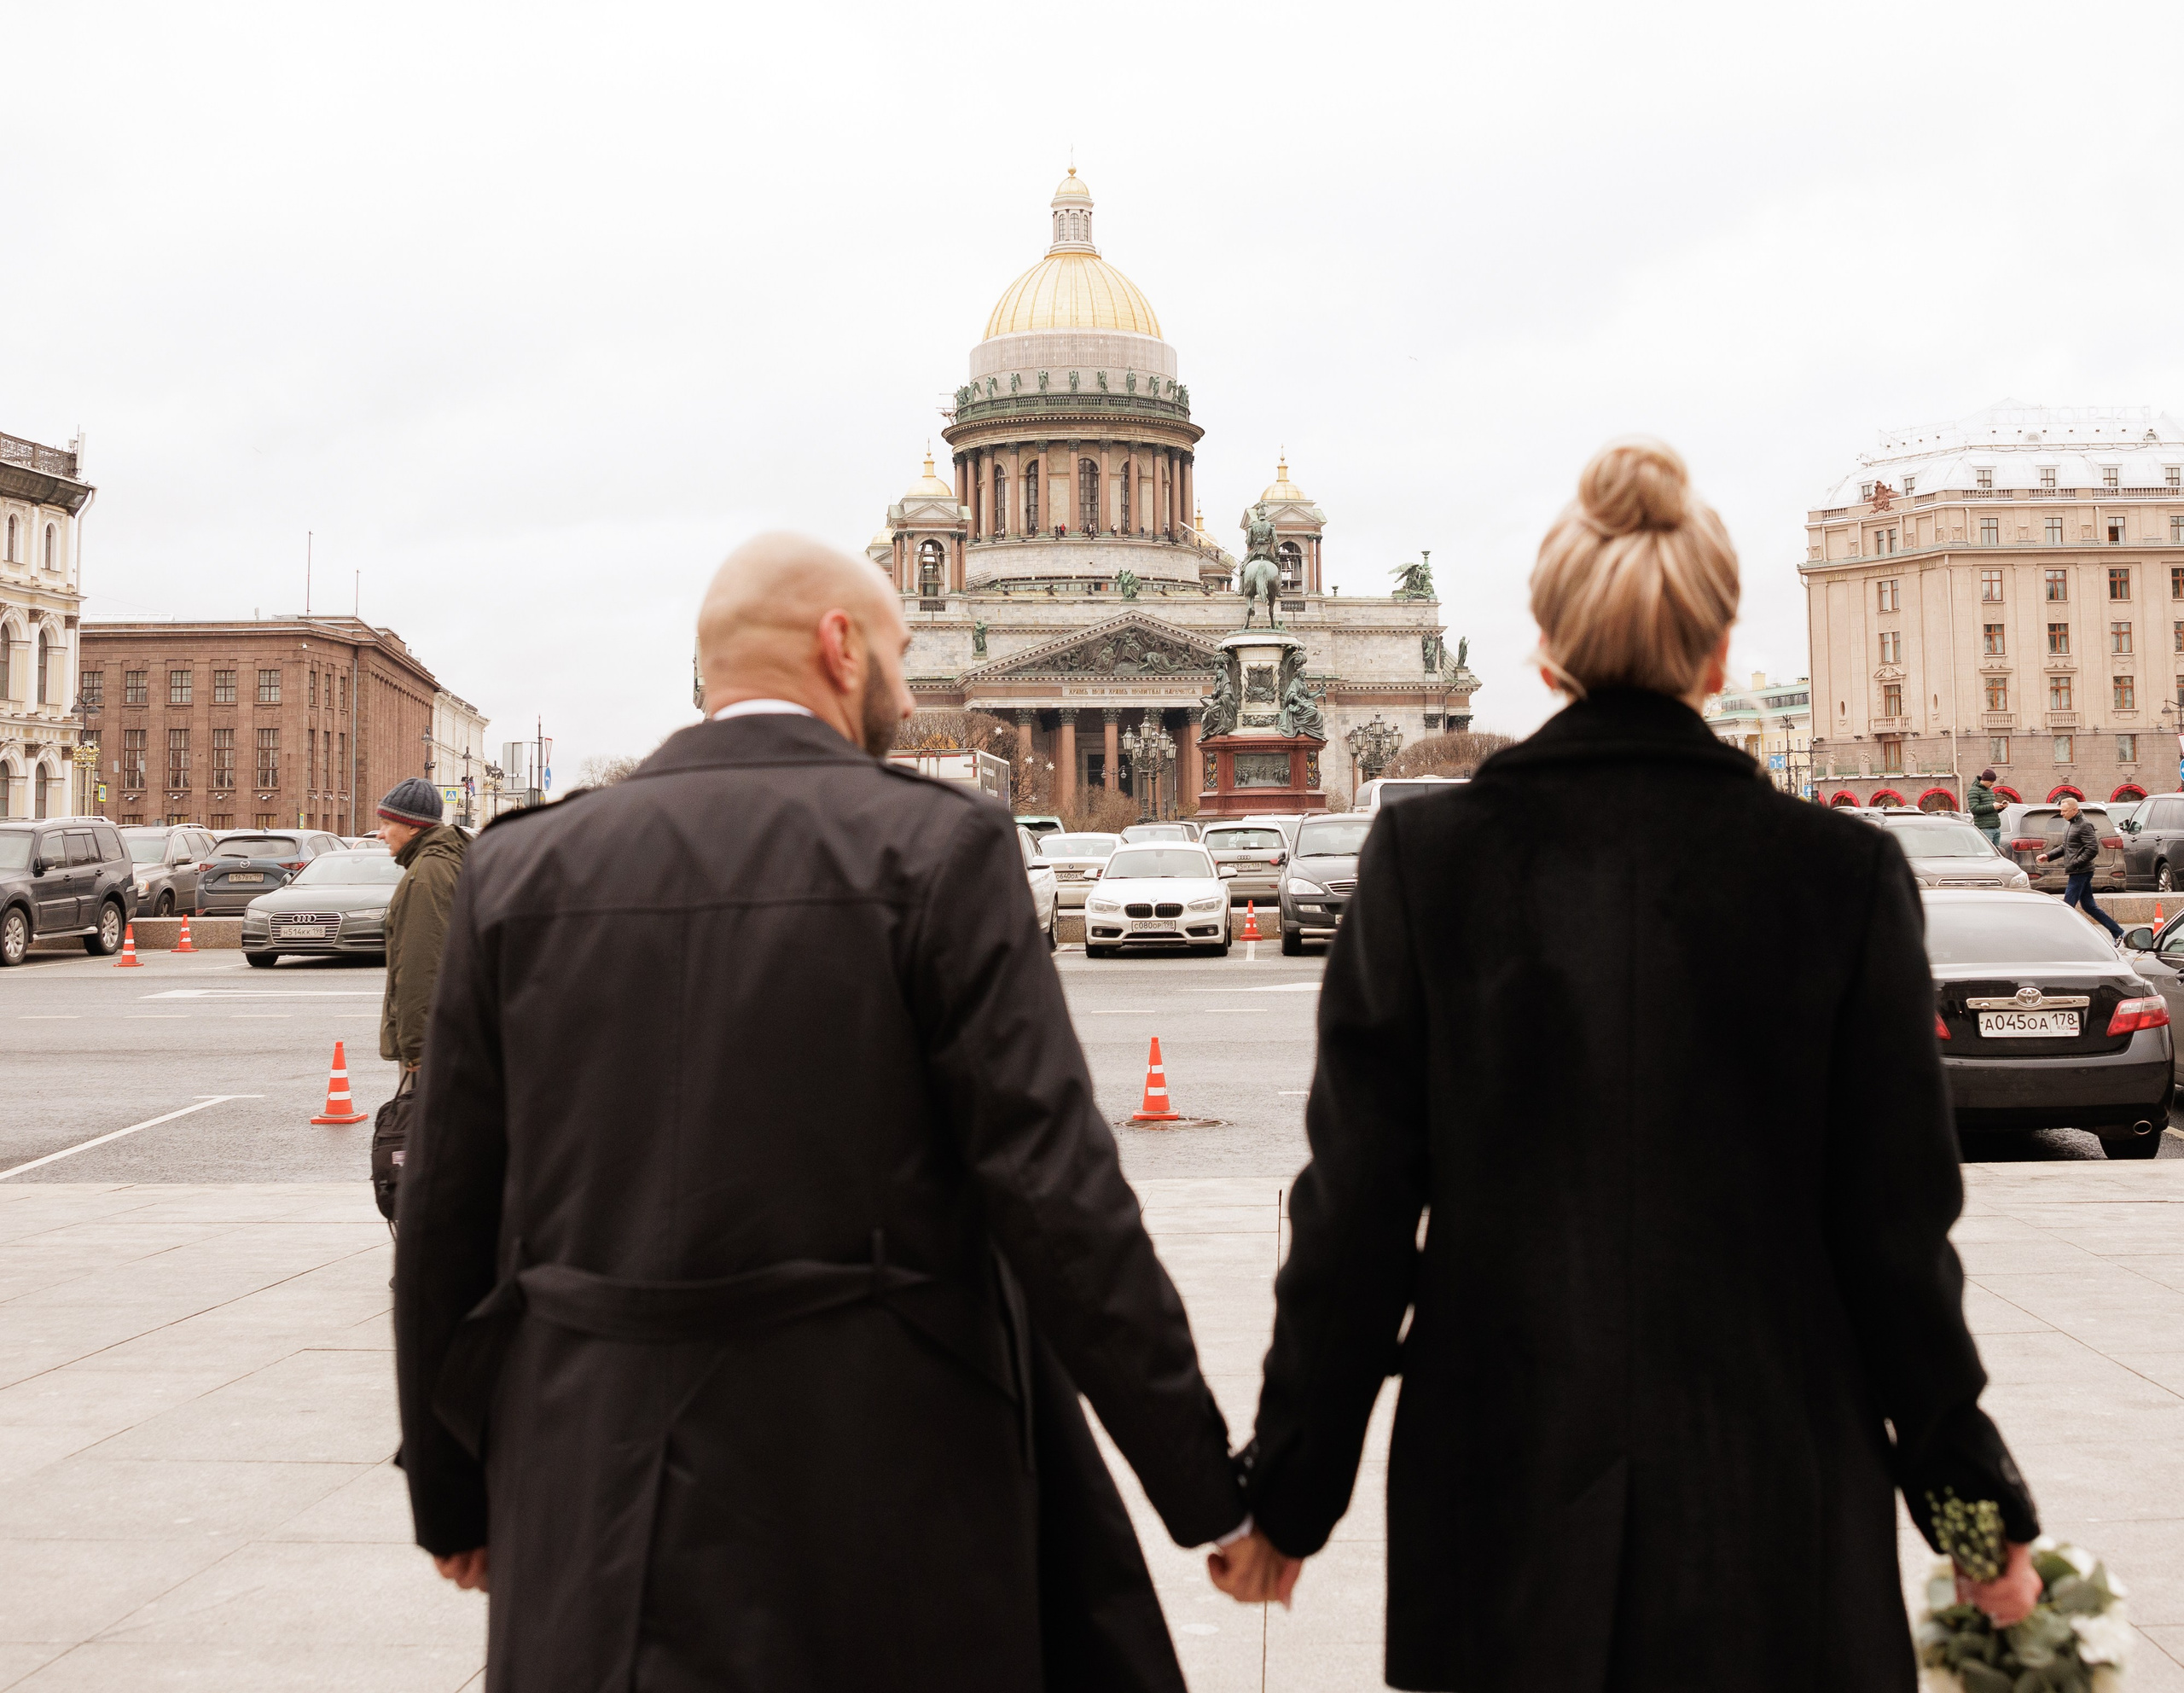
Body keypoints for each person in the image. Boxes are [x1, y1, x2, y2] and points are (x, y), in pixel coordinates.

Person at [1211, 440, 2042, 1689]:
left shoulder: (1429, 866)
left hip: (1502, 1502)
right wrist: (1974, 1517)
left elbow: (1354, 1222)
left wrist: (1287, 1496)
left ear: (1548, 658)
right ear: (1715, 658)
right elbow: (1894, 1243)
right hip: (1773, 1505)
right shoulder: (1842, 878)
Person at [393, 534, 1244, 1693]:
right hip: (888, 1489)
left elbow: (446, 1220)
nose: (902, 686)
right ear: (840, 648)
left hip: (597, 1494)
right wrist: (1204, 1486)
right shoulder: (937, 849)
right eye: (896, 653)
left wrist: (453, 1497)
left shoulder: (520, 871)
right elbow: (1060, 1202)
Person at [375, 777, 471, 1096]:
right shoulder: (449, 860)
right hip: (454, 1033)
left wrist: (417, 1046)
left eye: (388, 823)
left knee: (419, 1132)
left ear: (414, 828)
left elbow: (421, 964)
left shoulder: (426, 875)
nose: (381, 833)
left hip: (432, 1047)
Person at [2041, 794, 2121, 939]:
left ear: (2075, 810)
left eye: (2064, 811)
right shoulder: (2071, 824)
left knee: (2068, 906)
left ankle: (2062, 936)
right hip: (2078, 870)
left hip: (2081, 871)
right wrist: (2048, 856)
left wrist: (2076, 863)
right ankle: (2118, 932)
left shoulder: (2084, 824)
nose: (2061, 813)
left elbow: (2092, 849)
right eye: (2061, 810)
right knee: (2089, 906)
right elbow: (2066, 846)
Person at [1967, 766, 2003, 842]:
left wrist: (2001, 807)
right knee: (1988, 853)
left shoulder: (1989, 791)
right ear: (1986, 780)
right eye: (1991, 782)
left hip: (1996, 828)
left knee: (1997, 852)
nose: (1993, 784)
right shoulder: (1974, 791)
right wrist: (1992, 807)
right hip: (1985, 829)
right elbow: (1974, 809)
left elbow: (1991, 810)